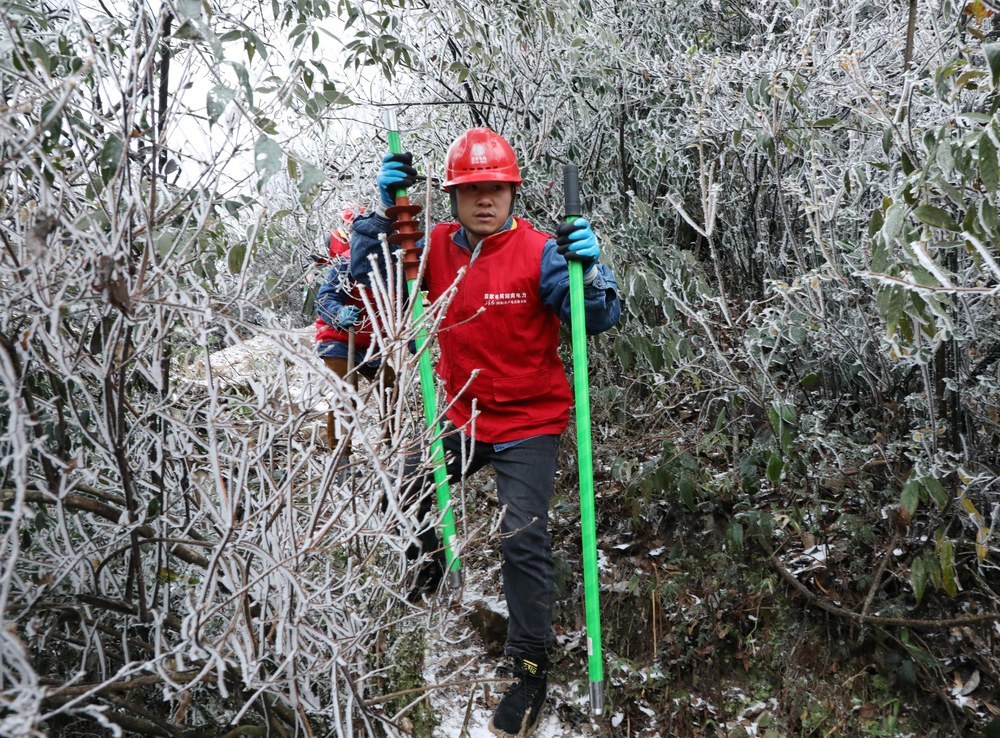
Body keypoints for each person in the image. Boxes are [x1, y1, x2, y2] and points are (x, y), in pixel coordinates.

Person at [350, 128, 621, 737]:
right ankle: (430, 577)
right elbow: (369, 284)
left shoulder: (541, 251)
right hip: (464, 414)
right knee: (409, 482)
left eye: (495, 188)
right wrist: (381, 214)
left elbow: (597, 316)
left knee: (521, 538)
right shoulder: (432, 246)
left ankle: (529, 668)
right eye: (472, 190)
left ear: (512, 192)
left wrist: (592, 270)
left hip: (530, 420)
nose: (484, 200)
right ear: (452, 197)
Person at [314, 208, 394, 467]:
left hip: (371, 342)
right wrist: (338, 314)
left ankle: (390, 444)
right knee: (344, 393)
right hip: (337, 338)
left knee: (390, 385)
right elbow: (325, 298)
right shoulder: (346, 263)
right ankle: (340, 458)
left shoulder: (393, 266)